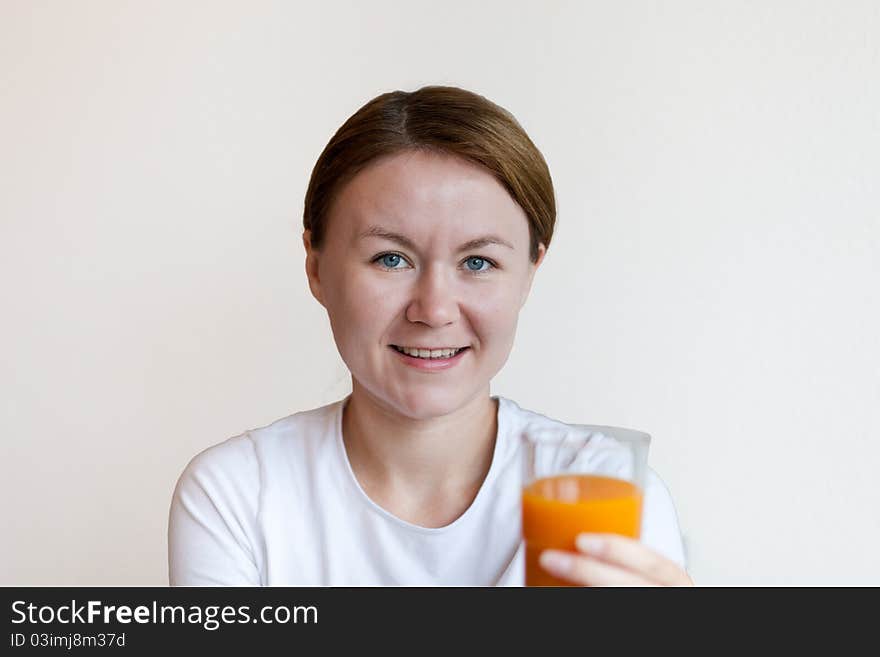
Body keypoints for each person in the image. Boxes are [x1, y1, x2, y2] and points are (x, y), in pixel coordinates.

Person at [168, 85, 693, 586]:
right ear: (316, 265)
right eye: (391, 258)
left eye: (479, 261)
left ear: (530, 272)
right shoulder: (237, 494)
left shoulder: (608, 490)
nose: (434, 310)